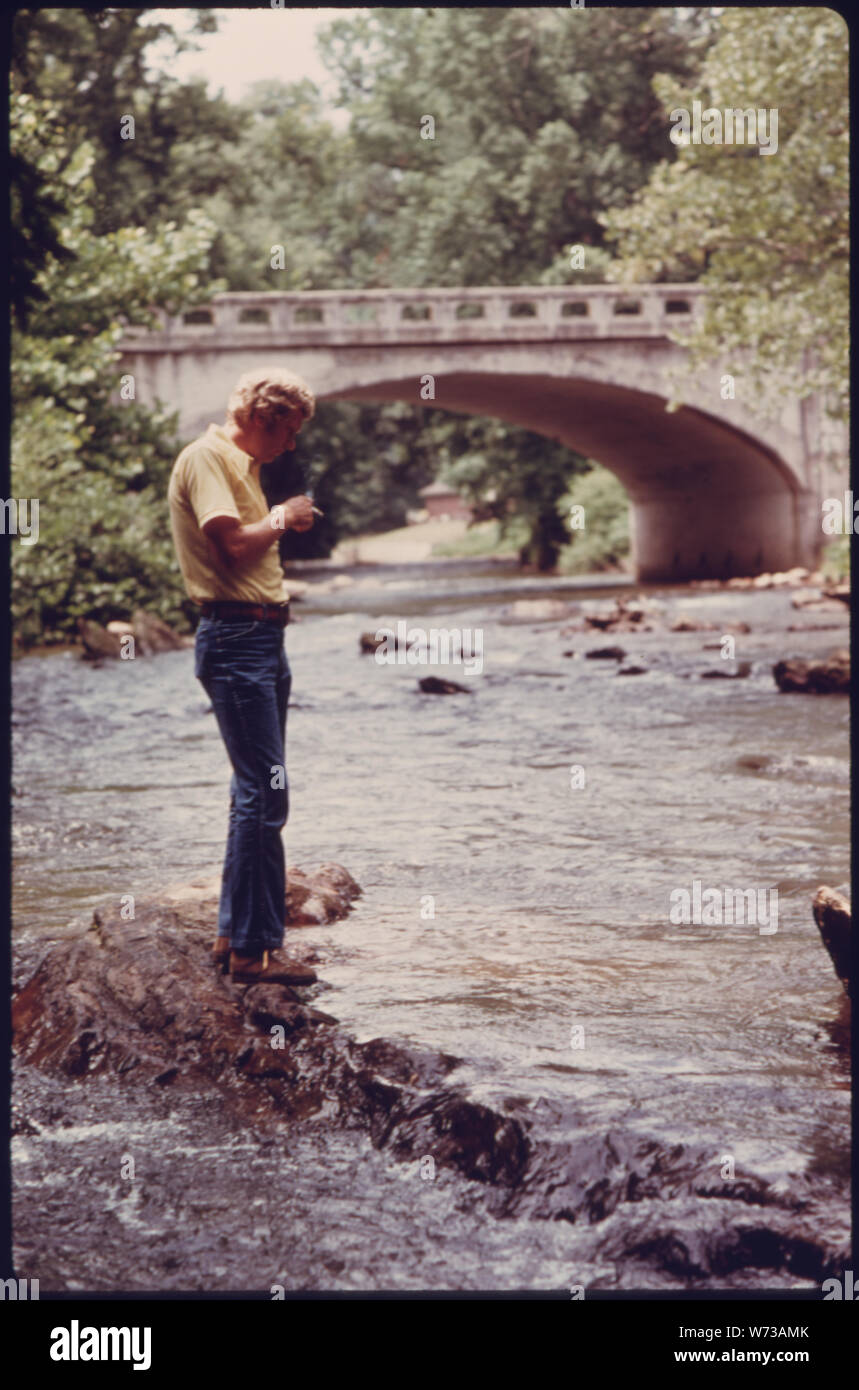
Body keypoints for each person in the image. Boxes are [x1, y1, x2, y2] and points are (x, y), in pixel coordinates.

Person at [168, 365, 318, 985]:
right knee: (265, 792)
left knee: (250, 791)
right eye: (287, 431)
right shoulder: (207, 459)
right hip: (236, 640)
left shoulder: (244, 465)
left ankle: (235, 936)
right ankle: (254, 954)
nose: (291, 444)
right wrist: (283, 517)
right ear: (261, 418)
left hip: (259, 638)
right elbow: (231, 546)